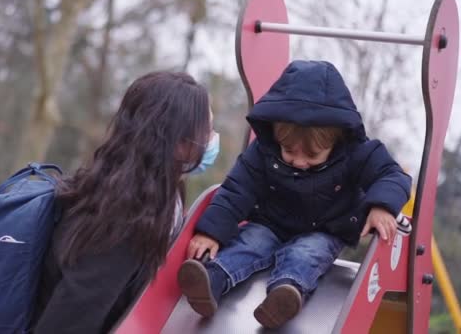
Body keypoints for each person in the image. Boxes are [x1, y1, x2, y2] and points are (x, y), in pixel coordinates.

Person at [177, 60, 412, 329]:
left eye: (311, 155)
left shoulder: (357, 152)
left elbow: (392, 175)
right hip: (271, 223)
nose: (299, 161)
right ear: (277, 136)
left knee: (307, 254)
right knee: (249, 243)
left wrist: (381, 206)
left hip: (325, 229)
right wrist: (212, 231)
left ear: (336, 140)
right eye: (288, 150)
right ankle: (211, 281)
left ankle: (286, 294)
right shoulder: (263, 151)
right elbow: (237, 189)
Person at [31, 71, 219, 333]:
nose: (212, 140)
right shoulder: (124, 217)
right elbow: (69, 320)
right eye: (207, 131)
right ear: (177, 142)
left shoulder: (154, 194)